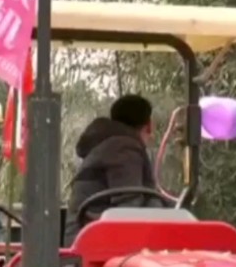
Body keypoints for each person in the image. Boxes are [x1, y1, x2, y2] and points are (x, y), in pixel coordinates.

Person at [63, 94, 162, 246]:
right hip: (93, 247)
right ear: (148, 125)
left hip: (83, 239)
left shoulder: (104, 147)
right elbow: (129, 212)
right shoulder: (124, 149)